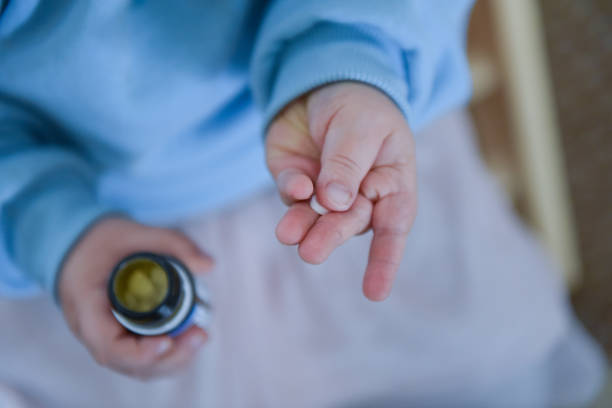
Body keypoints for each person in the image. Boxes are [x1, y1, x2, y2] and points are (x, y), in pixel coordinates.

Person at [0, 1, 605, 407]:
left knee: (485, 353)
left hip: (351, 121)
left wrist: (348, 59)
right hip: (72, 215)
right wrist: (53, 228)